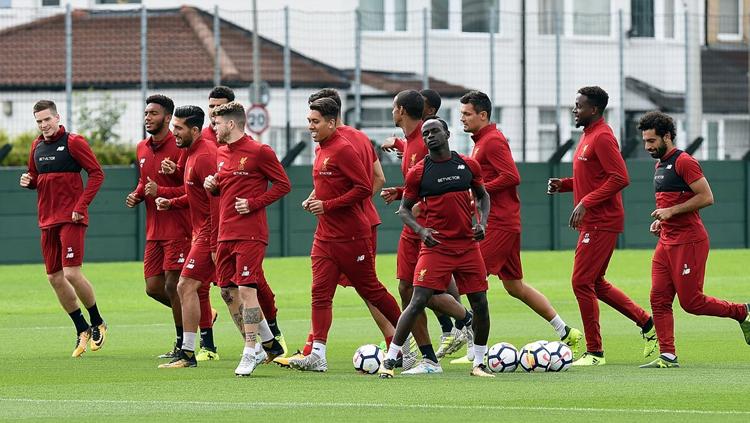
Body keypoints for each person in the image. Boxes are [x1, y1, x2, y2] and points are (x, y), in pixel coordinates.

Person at [454, 90, 582, 364]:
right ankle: (565, 330)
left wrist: (479, 190)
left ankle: (474, 350)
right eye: (461, 113)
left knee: (467, 282)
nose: (461, 118)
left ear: (483, 115)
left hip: (499, 225)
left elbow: (512, 176)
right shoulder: (481, 142)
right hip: (504, 223)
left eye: (466, 113)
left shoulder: (492, 141)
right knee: (514, 286)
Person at [276, 88, 397, 367]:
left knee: (369, 289)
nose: (310, 125)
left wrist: (334, 205)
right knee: (321, 290)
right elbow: (376, 178)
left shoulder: (345, 144)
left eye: (314, 119)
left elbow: (366, 184)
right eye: (309, 118)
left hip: (353, 229)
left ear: (332, 118)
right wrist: (317, 199)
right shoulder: (330, 144)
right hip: (332, 230)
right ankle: (315, 353)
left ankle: (403, 343)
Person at [547, 86, 655, 366]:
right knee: (595, 283)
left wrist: (586, 203)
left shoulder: (603, 137)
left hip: (602, 221)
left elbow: (620, 177)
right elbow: (594, 178)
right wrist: (565, 186)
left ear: (593, 109)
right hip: (594, 220)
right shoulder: (587, 136)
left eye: (579, 105)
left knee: (581, 282)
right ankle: (646, 323)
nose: (574, 109)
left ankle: (595, 352)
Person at [378, 117, 494, 378]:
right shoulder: (419, 172)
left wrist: (482, 222)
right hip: (436, 247)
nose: (430, 136)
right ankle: (391, 359)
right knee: (417, 300)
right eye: (426, 133)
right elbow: (404, 210)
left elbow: (483, 195)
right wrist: (421, 230)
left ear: (447, 134)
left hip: (467, 247)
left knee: (481, 303)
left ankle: (479, 363)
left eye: (435, 131)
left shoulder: (468, 165)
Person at [637, 111, 750, 368]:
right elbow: (671, 203)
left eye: (652, 141)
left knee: (692, 302)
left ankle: (743, 311)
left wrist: (671, 212)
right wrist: (662, 219)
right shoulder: (659, 165)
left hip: (689, 241)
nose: (647, 147)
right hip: (666, 241)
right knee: (658, 298)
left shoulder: (684, 162)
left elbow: (707, 197)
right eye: (645, 141)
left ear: (667, 136)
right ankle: (668, 354)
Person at [203, 101, 291, 376]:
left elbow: (283, 185)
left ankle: (250, 348)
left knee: (246, 290)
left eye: (216, 123)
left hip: (251, 233)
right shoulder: (220, 152)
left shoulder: (259, 151)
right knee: (227, 291)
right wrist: (213, 186)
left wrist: (254, 203)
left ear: (231, 124)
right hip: (225, 233)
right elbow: (227, 187)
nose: (213, 127)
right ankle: (269, 343)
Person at [20, 100, 107, 357]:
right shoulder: (36, 146)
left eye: (47, 119)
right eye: (39, 121)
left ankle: (97, 321)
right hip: (47, 220)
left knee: (71, 273)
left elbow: (97, 174)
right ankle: (81, 328)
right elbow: (36, 176)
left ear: (57, 117)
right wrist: (29, 181)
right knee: (54, 277)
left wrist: (81, 205)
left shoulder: (73, 142)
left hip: (72, 218)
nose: (44, 125)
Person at [126, 94, 192, 359]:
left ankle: (182, 344)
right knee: (153, 288)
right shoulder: (142, 147)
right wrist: (138, 193)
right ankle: (197, 313)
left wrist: (166, 184)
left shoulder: (181, 148)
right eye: (146, 114)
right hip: (154, 229)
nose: (147, 118)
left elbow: (191, 189)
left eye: (153, 114)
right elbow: (146, 182)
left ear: (167, 117)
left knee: (173, 285)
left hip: (178, 226)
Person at [154, 106, 219, 368]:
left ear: (194, 130)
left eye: (179, 128)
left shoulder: (204, 156)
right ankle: (266, 343)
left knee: (185, 286)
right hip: (204, 232)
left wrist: (214, 240)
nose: (174, 133)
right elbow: (198, 197)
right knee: (233, 291)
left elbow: (218, 200)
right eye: (174, 128)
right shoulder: (190, 154)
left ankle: (188, 353)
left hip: (212, 232)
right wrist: (173, 202)